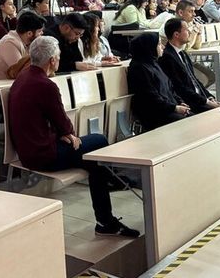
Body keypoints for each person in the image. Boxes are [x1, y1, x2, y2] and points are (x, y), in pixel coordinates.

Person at [9, 37, 139, 237]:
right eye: (59, 57)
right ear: (52, 60)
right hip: (44, 154)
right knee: (99, 141)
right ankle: (106, 215)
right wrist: (68, 134)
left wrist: (65, 134)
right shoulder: (45, 85)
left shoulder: (23, 77)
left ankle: (106, 211)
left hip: (28, 150)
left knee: (95, 162)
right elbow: (64, 124)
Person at [127, 33, 190, 131]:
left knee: (193, 118)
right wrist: (175, 108)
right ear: (149, 47)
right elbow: (151, 98)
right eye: (159, 44)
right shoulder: (139, 69)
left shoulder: (154, 63)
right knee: (187, 123)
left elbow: (170, 88)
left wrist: (180, 102)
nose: (163, 47)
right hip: (156, 114)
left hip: (168, 108)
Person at [159, 18, 220, 113]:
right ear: (176, 34)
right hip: (189, 103)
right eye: (186, 29)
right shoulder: (167, 57)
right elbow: (180, 88)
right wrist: (206, 102)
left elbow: (194, 79)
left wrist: (209, 97)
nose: (190, 32)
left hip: (198, 99)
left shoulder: (183, 53)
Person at [0, 12, 46, 80]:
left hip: (10, 81)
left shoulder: (27, 42)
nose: (42, 33)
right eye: (39, 31)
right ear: (29, 33)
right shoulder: (9, 43)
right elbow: (20, 72)